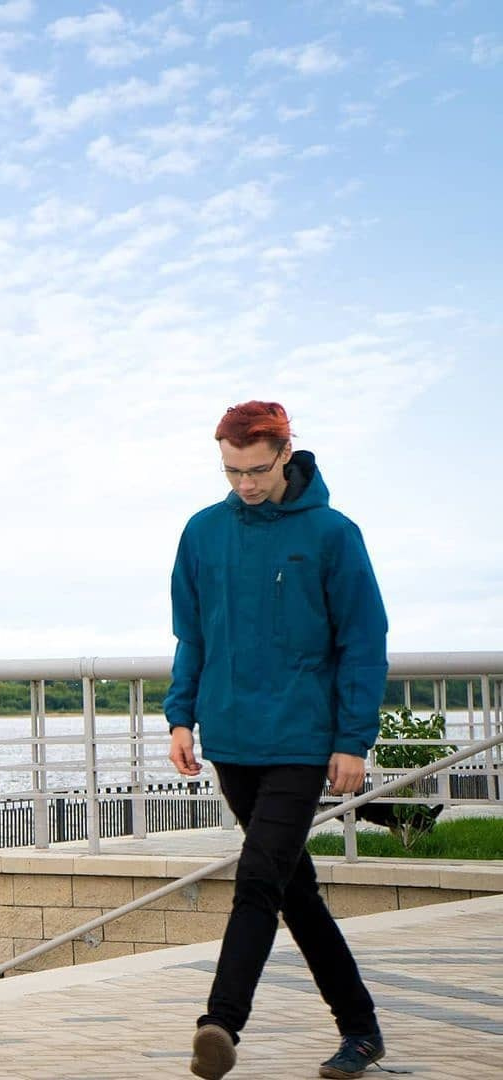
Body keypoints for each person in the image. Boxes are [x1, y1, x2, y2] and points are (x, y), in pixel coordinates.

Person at [163, 401, 389, 1080]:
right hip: (231, 740)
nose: (246, 484)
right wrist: (180, 716)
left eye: (257, 470)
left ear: (286, 454)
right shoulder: (203, 533)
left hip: (301, 740)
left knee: (259, 877)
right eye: (232, 471)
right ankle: (363, 1030)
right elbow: (192, 635)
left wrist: (352, 738)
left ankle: (219, 1024)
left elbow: (363, 643)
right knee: (295, 892)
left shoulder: (332, 535)